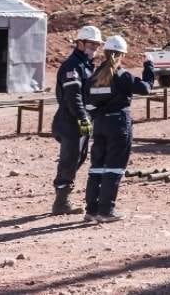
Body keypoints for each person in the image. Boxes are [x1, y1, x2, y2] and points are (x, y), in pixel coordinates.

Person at [84, 35, 154, 223]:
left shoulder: (94, 76)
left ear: (105, 52)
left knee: (97, 168)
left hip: (99, 125)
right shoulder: (122, 75)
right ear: (122, 54)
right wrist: (149, 67)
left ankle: (91, 210)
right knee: (114, 168)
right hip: (118, 125)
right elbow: (146, 88)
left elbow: (87, 103)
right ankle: (106, 211)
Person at [50, 25, 104, 215]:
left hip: (78, 120)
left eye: (97, 45)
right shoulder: (73, 66)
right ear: (79, 43)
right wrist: (82, 118)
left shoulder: (86, 66)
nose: (94, 48)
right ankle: (61, 202)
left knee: (77, 158)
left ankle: (62, 197)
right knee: (70, 159)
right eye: (91, 44)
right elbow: (73, 97)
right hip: (70, 121)